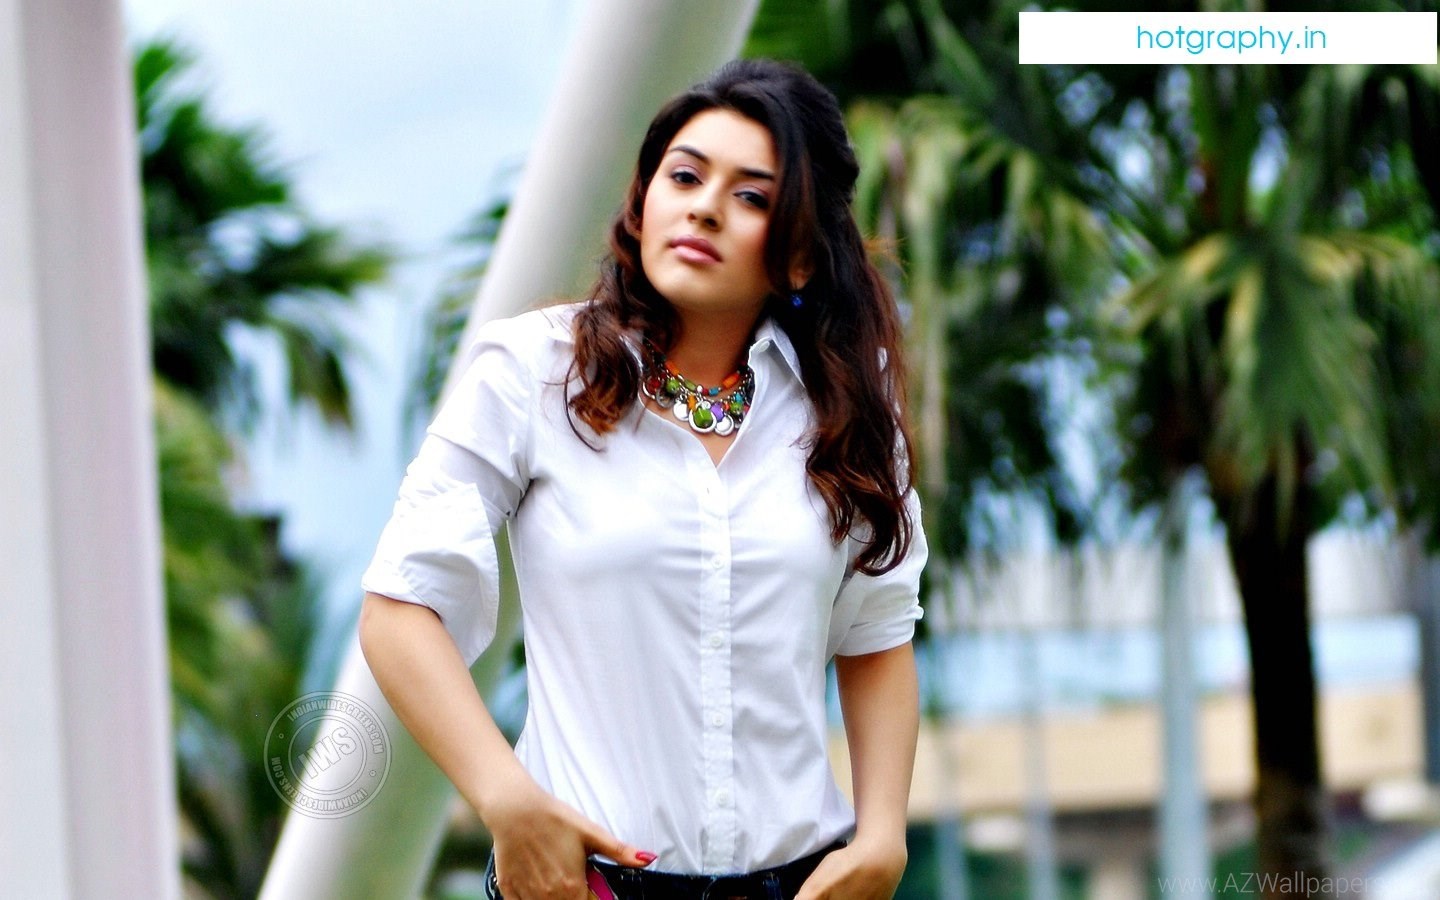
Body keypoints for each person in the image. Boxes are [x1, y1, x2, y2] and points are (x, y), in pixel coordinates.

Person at [358, 58, 928, 900]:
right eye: (685, 176)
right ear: (643, 202)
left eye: (751, 196)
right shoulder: (530, 371)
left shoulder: (845, 406)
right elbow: (400, 606)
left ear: (801, 257)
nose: (704, 206)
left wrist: (883, 838)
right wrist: (506, 799)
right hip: (585, 885)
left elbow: (876, 634)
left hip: (800, 884)